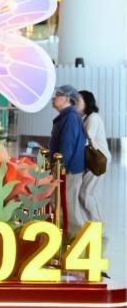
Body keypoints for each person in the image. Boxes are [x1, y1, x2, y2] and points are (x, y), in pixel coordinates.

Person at [50, 84, 87, 235]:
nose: (53, 98)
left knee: (67, 204)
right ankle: (68, 235)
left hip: (68, 169)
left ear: (66, 99)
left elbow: (68, 145)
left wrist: (60, 168)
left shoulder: (70, 117)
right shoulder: (67, 116)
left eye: (57, 95)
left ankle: (78, 237)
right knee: (63, 202)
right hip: (66, 168)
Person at [76, 90, 108, 228]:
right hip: (93, 159)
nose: (76, 103)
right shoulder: (88, 118)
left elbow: (86, 140)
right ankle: (93, 224)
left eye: (78, 100)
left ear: (87, 102)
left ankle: (97, 225)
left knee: (87, 193)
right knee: (87, 193)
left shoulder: (93, 118)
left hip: (96, 160)